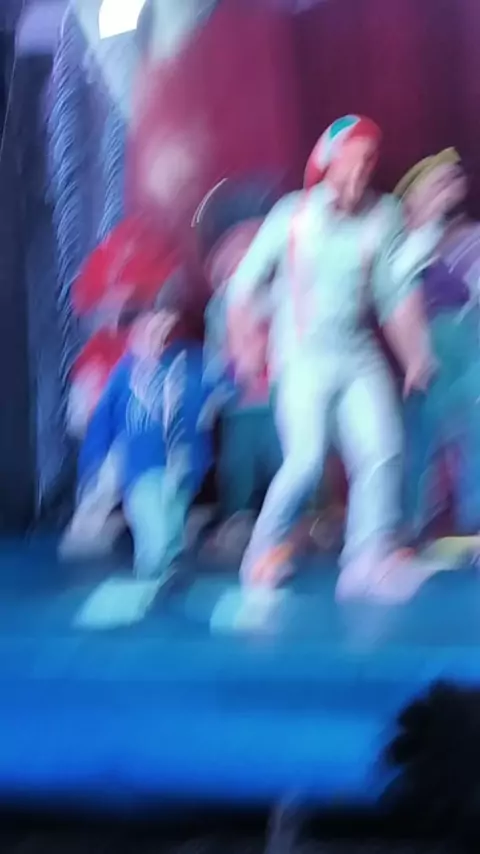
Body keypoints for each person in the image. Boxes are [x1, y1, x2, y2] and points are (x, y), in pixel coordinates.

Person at [225, 115, 444, 604]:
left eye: (369, 161)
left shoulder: (382, 218)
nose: (362, 170)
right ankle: (262, 550)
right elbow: (242, 288)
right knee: (305, 458)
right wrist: (245, 346)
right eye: (354, 159)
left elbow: (393, 295)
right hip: (303, 357)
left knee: (382, 449)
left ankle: (367, 560)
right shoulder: (292, 217)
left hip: (356, 352)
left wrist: (414, 354)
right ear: (329, 161)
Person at [61, 295, 217, 579]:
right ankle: (152, 571)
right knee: (153, 527)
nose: (154, 338)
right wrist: (93, 466)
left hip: (181, 469)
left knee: (171, 526)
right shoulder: (124, 377)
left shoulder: (188, 365)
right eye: (147, 332)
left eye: (161, 330)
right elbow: (102, 424)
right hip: (141, 471)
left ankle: (165, 573)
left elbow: (218, 384)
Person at [395, 150, 480, 538]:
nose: (448, 190)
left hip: (467, 342)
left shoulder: (468, 238)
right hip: (428, 346)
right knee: (423, 436)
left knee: (473, 427)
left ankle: (473, 515)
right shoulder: (406, 249)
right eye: (438, 184)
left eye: (452, 181)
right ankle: (411, 520)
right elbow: (398, 298)